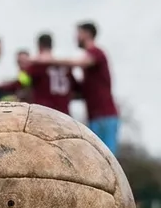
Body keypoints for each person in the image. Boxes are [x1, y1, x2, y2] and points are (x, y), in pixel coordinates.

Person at [46, 21, 119, 154]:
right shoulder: (88, 69)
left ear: (87, 34)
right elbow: (80, 91)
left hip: (105, 117)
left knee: (107, 159)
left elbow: (78, 62)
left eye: (78, 34)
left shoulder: (96, 52)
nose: (76, 38)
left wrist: (50, 60)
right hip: (94, 118)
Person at [20, 33, 77, 115]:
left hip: (44, 113)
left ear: (39, 46)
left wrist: (23, 68)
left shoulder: (37, 65)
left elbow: (23, 82)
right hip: (64, 114)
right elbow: (74, 87)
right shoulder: (65, 66)